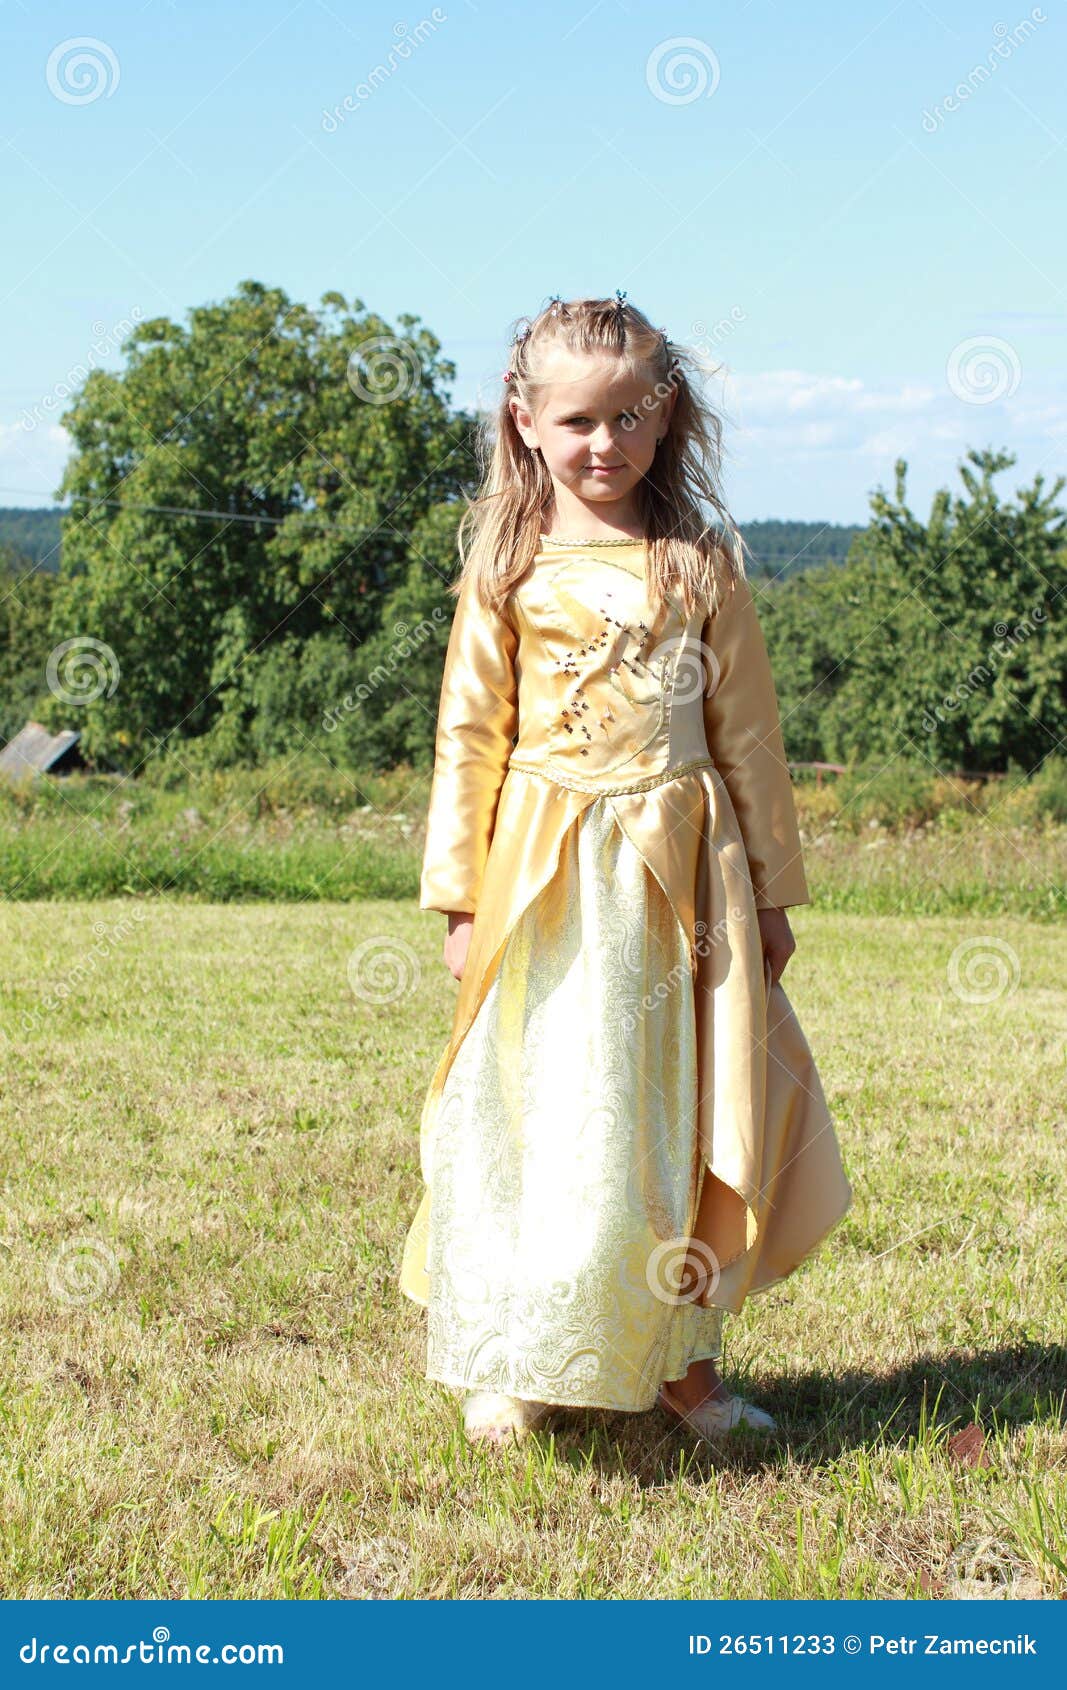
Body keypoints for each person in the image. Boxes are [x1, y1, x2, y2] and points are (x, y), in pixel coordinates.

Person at [399, 291, 852, 1448]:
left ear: (666, 418)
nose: (604, 445)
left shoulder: (698, 566)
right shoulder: (506, 570)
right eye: (578, 422)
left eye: (629, 418)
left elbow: (748, 737)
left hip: (681, 890)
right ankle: (517, 1352)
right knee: (541, 1113)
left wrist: (767, 891)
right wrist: (457, 896)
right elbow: (469, 737)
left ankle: (678, 1365)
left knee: (672, 1116)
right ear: (524, 421)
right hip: (542, 884)